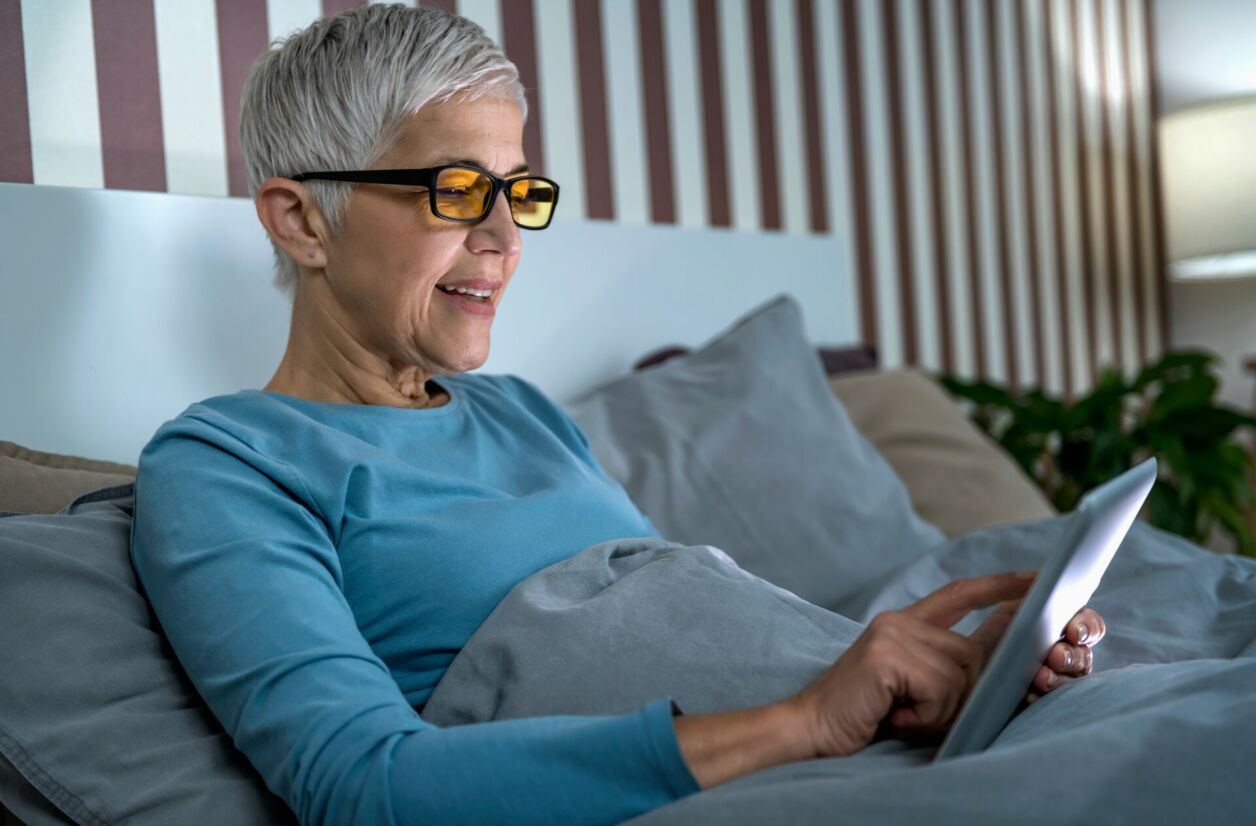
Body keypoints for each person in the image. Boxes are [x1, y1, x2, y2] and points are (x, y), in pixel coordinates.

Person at [130, 6, 1105, 825]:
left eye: (518, 193)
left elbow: (685, 629)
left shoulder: (517, 412)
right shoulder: (228, 463)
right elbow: (363, 786)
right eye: (459, 189)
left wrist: (933, 674)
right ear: (302, 219)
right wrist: (810, 715)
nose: (506, 236)